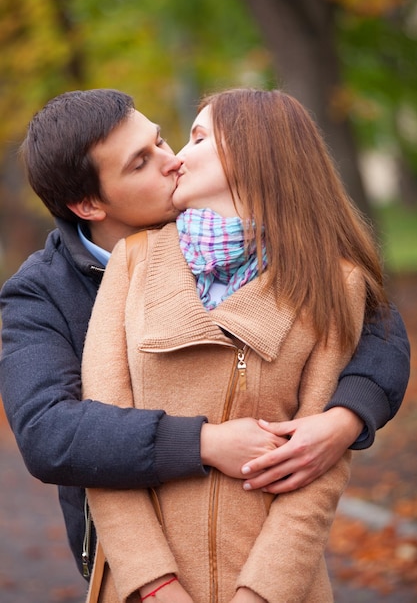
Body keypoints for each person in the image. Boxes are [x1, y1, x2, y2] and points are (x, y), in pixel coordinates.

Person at [0, 89, 409, 585]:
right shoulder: (42, 292)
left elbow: (374, 324)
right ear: (88, 204)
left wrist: (345, 418)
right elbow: (50, 432)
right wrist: (203, 443)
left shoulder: (249, 240)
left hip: (264, 559)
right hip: (133, 562)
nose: (173, 162)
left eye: (162, 141)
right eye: (140, 164)